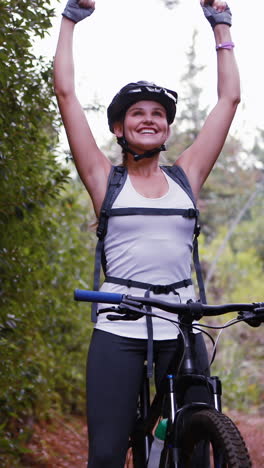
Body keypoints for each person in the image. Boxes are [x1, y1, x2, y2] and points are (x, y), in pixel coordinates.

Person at [54, 0, 240, 466]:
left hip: (179, 320)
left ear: (166, 128)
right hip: (119, 322)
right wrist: (70, 18)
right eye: (137, 112)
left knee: (196, 446)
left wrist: (221, 24)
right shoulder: (104, 180)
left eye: (158, 113)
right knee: (108, 453)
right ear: (119, 127)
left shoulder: (186, 177)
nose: (149, 118)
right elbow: (66, 94)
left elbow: (228, 101)